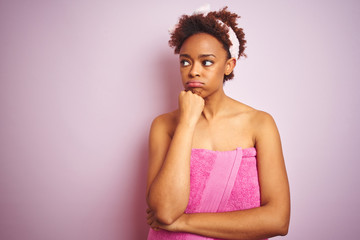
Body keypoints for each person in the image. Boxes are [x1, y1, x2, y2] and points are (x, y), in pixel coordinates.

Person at [146, 5, 290, 240]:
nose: (193, 71)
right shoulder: (164, 126)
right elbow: (164, 211)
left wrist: (183, 222)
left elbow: (278, 220)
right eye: (185, 62)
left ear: (229, 65)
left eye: (207, 62)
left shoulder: (260, 124)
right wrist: (187, 123)